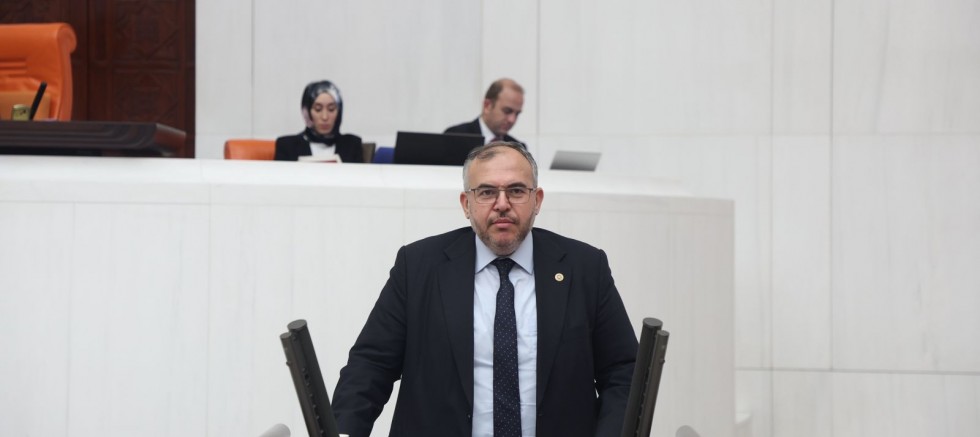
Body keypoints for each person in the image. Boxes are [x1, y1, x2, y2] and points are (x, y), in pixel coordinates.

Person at [332, 142, 638, 437]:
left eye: (516, 191)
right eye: (487, 192)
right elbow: (372, 364)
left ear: (537, 200)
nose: (502, 204)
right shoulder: (418, 266)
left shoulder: (585, 268)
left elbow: (623, 372)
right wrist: (344, 431)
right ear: (466, 204)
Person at [275, 80, 363, 163]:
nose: (325, 117)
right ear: (307, 112)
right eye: (318, 109)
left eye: (331, 109)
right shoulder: (287, 146)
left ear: (339, 111)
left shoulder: (352, 145)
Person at [446, 78, 525, 146]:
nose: (512, 120)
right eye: (507, 111)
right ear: (487, 106)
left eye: (517, 113)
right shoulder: (454, 137)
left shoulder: (518, 148)